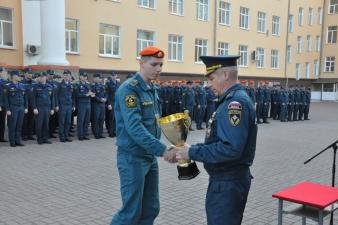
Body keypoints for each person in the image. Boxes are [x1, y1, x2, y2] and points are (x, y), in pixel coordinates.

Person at [176, 55, 258, 225]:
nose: (209, 85)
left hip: (228, 183)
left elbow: (230, 148)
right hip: (226, 181)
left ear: (226, 75)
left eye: (212, 79)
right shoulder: (230, 99)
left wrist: (191, 151)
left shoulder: (234, 104)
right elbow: (218, 141)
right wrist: (192, 149)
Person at [110, 46, 176, 225]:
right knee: (130, 212)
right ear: (141, 63)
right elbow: (135, 128)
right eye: (154, 64)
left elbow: (154, 122)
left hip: (148, 156)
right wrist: (163, 150)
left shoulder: (150, 88)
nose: (159, 69)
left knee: (151, 208)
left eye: (161, 65)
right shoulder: (129, 90)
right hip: (132, 157)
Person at [3, 70, 28, 147]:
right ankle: (12, 141)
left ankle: (17, 140)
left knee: (19, 125)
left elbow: (25, 97)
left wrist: (26, 107)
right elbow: (5, 99)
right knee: (12, 125)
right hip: (13, 108)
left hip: (21, 107)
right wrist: (7, 109)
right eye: (18, 75)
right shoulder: (7, 86)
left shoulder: (22, 85)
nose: (19, 77)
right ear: (13, 76)